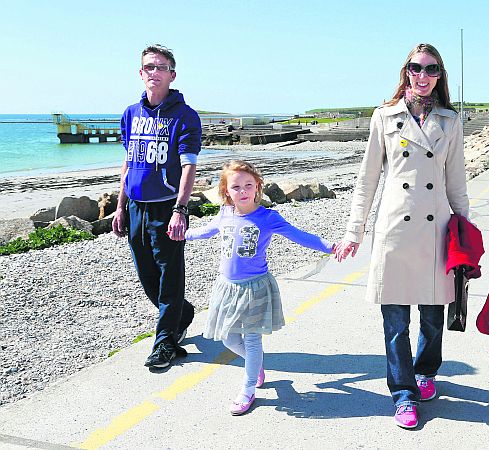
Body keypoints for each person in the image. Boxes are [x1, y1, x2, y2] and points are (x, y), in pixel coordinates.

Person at [334, 43, 469, 429]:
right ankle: (403, 394)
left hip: (436, 230)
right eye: (416, 68)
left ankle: (425, 372)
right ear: (406, 71)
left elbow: (456, 182)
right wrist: (353, 231)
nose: (422, 75)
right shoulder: (384, 117)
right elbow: (367, 180)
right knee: (394, 321)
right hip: (395, 228)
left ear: (440, 76)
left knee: (431, 317)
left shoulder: (449, 121)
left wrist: (466, 235)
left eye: (431, 69)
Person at [185, 160, 334, 416]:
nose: (242, 191)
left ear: (257, 187)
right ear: (225, 191)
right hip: (227, 287)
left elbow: (300, 236)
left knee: (252, 340)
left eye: (248, 185)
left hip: (255, 288)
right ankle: (256, 368)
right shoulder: (225, 213)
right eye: (236, 187)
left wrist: (330, 246)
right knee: (228, 337)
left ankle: (248, 387)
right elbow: (207, 231)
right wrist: (183, 234)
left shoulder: (267, 217)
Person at [112, 44, 202, 369]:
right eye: (149, 66)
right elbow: (127, 163)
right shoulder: (130, 115)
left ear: (172, 75)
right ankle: (183, 313)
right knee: (146, 274)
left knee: (170, 275)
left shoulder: (185, 116)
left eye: (161, 67)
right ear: (141, 73)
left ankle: (165, 342)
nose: (154, 72)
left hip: (167, 209)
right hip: (136, 206)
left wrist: (181, 209)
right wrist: (120, 206)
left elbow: (189, 166)